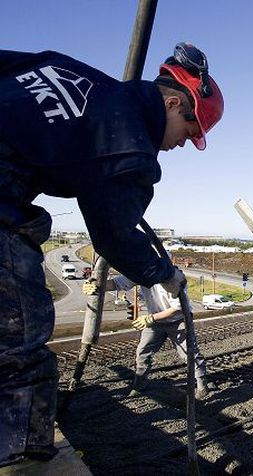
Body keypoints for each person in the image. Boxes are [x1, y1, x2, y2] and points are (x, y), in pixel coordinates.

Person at [0, 43, 223, 467]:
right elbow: (116, 236)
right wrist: (163, 272)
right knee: (19, 351)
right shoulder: (131, 143)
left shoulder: (67, 67)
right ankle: (19, 462)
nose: (185, 143)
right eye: (191, 130)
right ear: (174, 103)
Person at [82, 274, 213, 399]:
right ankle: (140, 383)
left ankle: (201, 385)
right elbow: (117, 283)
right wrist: (98, 285)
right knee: (143, 352)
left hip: (178, 321)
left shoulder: (174, 278)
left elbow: (178, 308)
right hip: (155, 322)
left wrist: (151, 318)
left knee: (189, 353)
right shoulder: (143, 273)